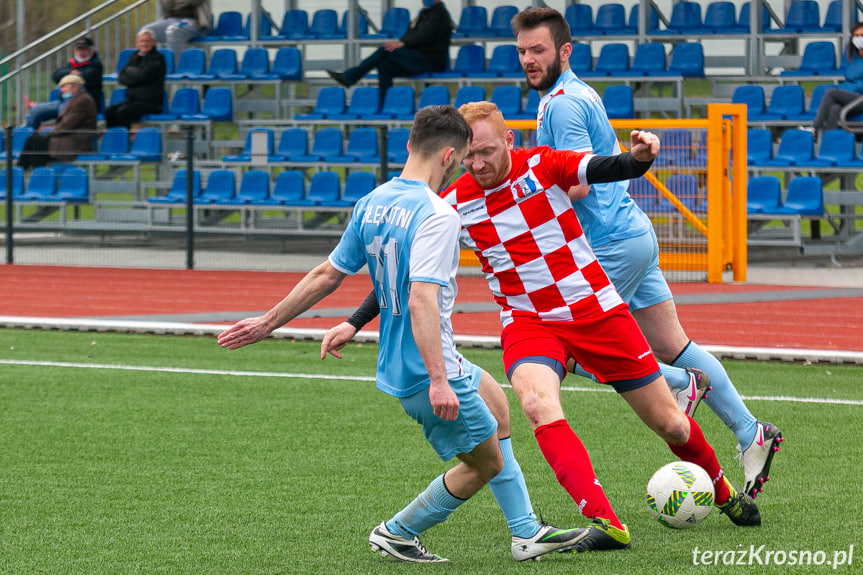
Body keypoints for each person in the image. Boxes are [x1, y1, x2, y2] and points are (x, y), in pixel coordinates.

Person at [323, 102, 762, 553]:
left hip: (597, 313)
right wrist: (355, 322)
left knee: (671, 424)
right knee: (535, 404)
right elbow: (414, 275)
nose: (478, 164)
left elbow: (605, 167)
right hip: (528, 323)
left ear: (510, 141)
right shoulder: (452, 205)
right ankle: (605, 522)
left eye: (488, 152)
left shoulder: (544, 164)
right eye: (470, 156)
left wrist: (641, 159)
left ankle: (723, 492)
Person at [217, 105, 588, 564]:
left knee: (499, 409)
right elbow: (420, 299)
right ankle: (398, 531)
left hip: (407, 360)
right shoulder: (438, 215)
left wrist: (266, 323)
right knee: (485, 463)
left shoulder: (372, 202)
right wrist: (437, 379)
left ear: (410, 145)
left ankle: (526, 531)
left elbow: (326, 274)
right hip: (428, 368)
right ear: (451, 156)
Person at [511, 7, 782, 500]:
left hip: (609, 243)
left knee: (573, 348)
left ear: (564, 52)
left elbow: (579, 182)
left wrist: (521, 196)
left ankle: (680, 384)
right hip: (631, 234)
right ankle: (750, 433)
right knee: (675, 344)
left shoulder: (563, 106)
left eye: (539, 50)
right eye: (523, 52)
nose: (529, 60)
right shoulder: (570, 95)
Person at [326, 0, 453, 106]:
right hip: (417, 58)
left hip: (429, 61)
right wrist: (403, 41)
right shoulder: (425, 13)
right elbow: (410, 35)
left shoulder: (439, 15)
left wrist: (402, 44)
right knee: (385, 66)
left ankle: (350, 77)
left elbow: (424, 36)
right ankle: (385, 104)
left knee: (385, 50)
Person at [17, 75, 97, 170]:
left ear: (75, 87)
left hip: (76, 141)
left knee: (35, 141)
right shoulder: (74, 99)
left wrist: (48, 133)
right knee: (35, 141)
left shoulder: (82, 100)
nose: (61, 90)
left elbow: (67, 124)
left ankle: (26, 172)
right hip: (67, 137)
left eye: (64, 87)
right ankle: (28, 172)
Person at [26, 37, 103, 130]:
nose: (81, 53)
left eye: (85, 49)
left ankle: (58, 138)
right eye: (79, 49)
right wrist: (71, 71)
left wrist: (68, 75)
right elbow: (56, 75)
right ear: (75, 50)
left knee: (64, 111)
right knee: (36, 110)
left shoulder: (96, 65)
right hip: (64, 101)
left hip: (82, 104)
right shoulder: (71, 64)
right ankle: (28, 139)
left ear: (91, 50)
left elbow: (83, 78)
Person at [104, 29, 166, 129]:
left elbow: (143, 75)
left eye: (147, 41)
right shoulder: (134, 56)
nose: (144, 44)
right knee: (109, 111)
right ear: (137, 43)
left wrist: (131, 73)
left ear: (153, 42)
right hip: (132, 101)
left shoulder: (158, 58)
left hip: (151, 103)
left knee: (123, 112)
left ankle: (123, 140)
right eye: (142, 41)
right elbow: (121, 77)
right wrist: (136, 76)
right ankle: (113, 139)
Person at [813, 22, 863, 135]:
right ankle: (827, 144)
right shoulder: (851, 56)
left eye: (862, 35)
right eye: (857, 36)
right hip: (851, 98)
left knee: (831, 93)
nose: (860, 39)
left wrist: (846, 90)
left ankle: (814, 129)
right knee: (835, 108)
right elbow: (849, 79)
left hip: (861, 99)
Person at [142, 0, 212, 57]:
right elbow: (166, 6)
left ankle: (173, 67)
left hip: (196, 23)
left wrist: (175, 3)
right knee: (146, 31)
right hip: (171, 20)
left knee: (173, 30)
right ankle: (146, 65)